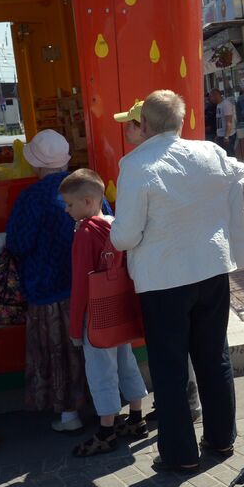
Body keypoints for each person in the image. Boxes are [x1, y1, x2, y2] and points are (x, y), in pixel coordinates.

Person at [110, 92, 244, 473]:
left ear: (144, 124)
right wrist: (219, 218)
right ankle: (221, 438)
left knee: (170, 365)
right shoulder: (208, 151)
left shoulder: (135, 164)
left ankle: (180, 455)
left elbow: (125, 236)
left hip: (163, 278)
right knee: (214, 356)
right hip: (211, 267)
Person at [5, 130, 90, 433]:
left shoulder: (31, 197)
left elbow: (18, 243)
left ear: (37, 163)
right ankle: (109, 409)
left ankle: (69, 415)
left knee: (59, 354)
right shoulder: (87, 186)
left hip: (48, 290)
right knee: (94, 351)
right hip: (88, 287)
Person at [61, 169, 149, 457]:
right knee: (126, 361)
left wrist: (76, 328)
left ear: (87, 201)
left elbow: (81, 284)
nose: (66, 209)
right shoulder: (114, 223)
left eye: (70, 204)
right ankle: (136, 418)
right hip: (119, 308)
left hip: (96, 315)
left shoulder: (85, 233)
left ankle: (106, 431)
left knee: (101, 371)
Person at [216, 89, 237, 156]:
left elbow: (229, 121)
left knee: (230, 156)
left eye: (211, 96)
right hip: (221, 135)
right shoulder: (219, 105)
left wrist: (226, 137)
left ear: (216, 95)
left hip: (227, 136)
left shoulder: (226, 104)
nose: (210, 98)